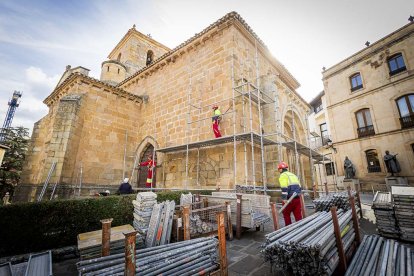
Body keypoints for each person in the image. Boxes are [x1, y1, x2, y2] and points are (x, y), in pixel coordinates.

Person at [278, 162, 302, 226]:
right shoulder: (293, 175)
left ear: (280, 169)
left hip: (289, 199)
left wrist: (284, 198)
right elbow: (300, 187)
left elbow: (284, 188)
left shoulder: (283, 175)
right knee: (298, 215)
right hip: (297, 198)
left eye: (279, 169)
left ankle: (289, 229)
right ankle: (301, 228)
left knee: (286, 214)